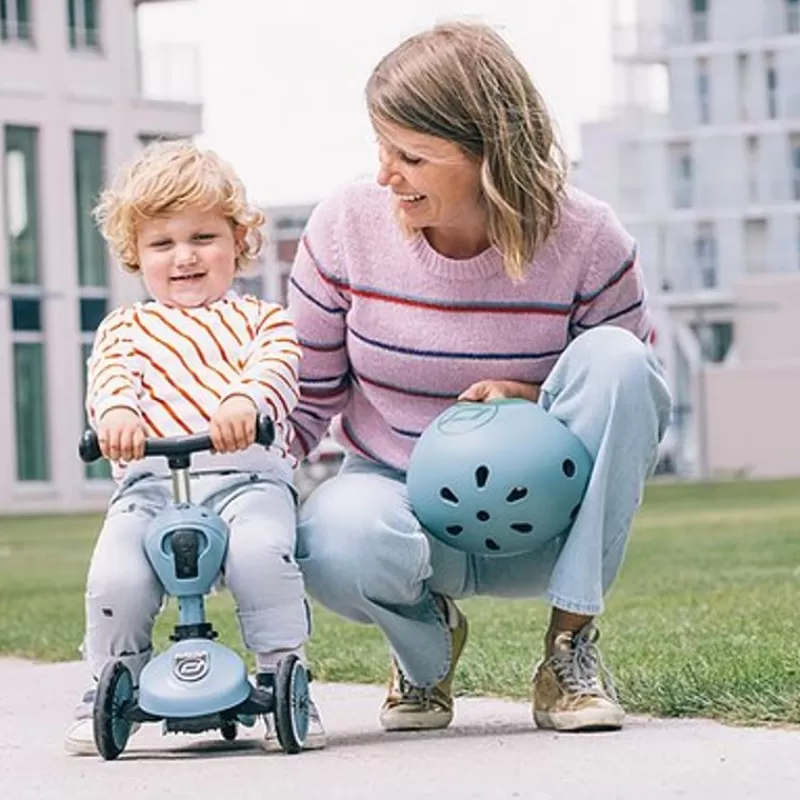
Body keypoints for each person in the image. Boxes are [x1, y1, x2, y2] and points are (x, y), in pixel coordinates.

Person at [287, 21, 672, 734]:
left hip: (545, 521)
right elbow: (305, 397)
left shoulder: (589, 238)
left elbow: (630, 398)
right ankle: (425, 651)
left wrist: (534, 398)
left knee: (622, 361)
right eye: (381, 146)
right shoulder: (346, 225)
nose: (385, 174)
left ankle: (569, 650)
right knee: (330, 538)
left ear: (489, 155)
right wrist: (242, 488)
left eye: (412, 155)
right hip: (402, 512)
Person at [65, 140, 326, 754]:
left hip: (246, 478)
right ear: (136, 254)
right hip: (150, 485)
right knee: (116, 577)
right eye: (162, 244)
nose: (183, 257)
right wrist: (119, 414)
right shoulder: (126, 328)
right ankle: (111, 681)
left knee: (263, 555)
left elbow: (276, 369)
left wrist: (247, 404)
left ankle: (282, 675)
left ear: (238, 239)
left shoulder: (264, 320)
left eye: (202, 238)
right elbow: (111, 379)